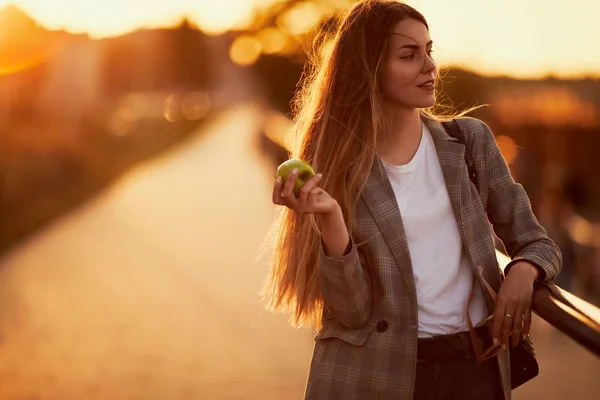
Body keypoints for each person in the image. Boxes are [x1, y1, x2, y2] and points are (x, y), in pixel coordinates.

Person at [261, 1, 562, 399]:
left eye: (429, 50)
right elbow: (351, 313)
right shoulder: (333, 167)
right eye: (409, 55)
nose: (430, 65)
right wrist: (331, 221)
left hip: (476, 371)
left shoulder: (470, 142)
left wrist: (523, 272)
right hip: (379, 377)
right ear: (370, 70)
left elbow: (539, 243)